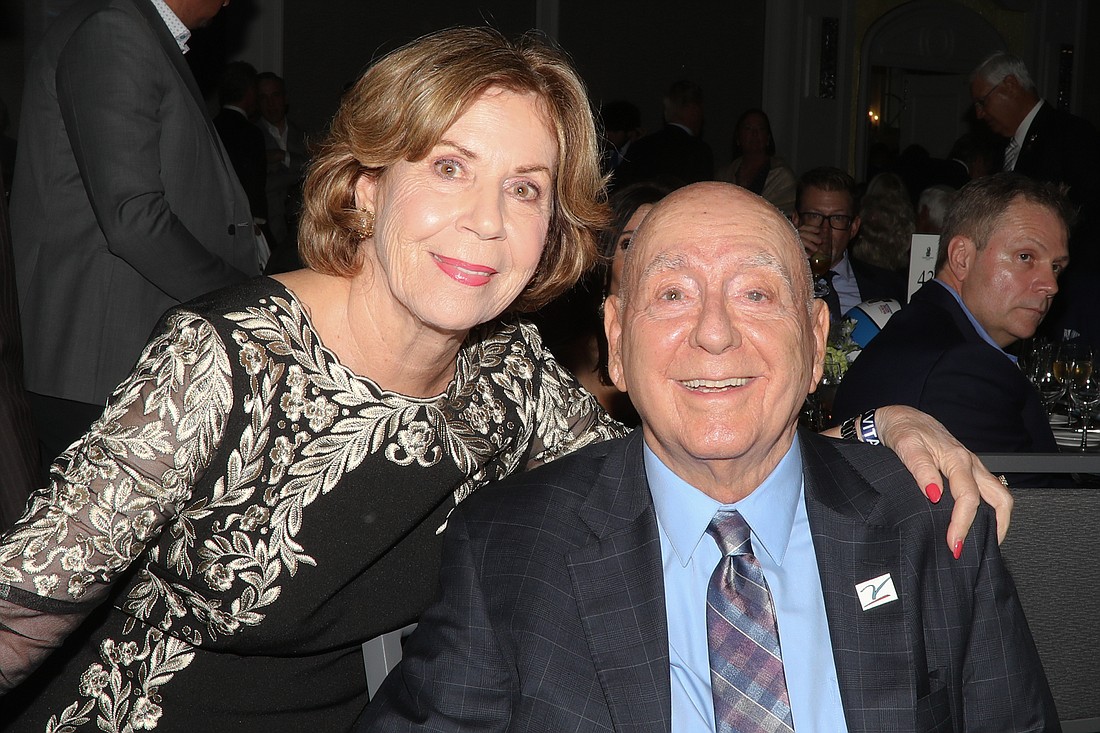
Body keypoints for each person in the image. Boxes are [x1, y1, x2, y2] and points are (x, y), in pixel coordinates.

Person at [0, 27, 1008, 732]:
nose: (486, 220)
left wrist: (882, 428)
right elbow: (20, 614)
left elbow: (692, 464)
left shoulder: (506, 378)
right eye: (449, 167)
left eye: (523, 188)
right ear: (366, 185)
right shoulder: (225, 361)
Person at [358, 182, 1055, 732]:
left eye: (755, 294)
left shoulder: (931, 522)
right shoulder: (512, 548)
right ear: (617, 342)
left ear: (817, 341)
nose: (715, 333)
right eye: (672, 294)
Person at [10, 0, 263, 476]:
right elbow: (133, 219)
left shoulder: (132, 30)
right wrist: (244, 300)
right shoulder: (113, 29)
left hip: (111, 361)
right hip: (96, 362)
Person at [834, 173, 1072, 486]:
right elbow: (1040, 508)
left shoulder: (920, 329)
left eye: (1056, 267)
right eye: (1025, 257)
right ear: (961, 258)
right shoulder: (962, 367)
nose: (1051, 285)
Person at [970, 51, 1100, 271]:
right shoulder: (1000, 149)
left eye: (982, 102)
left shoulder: (1071, 134)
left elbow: (1086, 217)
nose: (979, 114)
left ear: (1010, 84)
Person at [794, 167, 906, 320]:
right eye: (814, 216)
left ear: (854, 227)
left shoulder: (889, 287)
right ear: (796, 220)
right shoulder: (777, 279)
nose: (824, 229)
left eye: (837, 218)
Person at [256, 71, 310, 270]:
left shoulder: (303, 134)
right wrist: (297, 169)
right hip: (268, 233)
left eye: (275, 95)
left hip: (300, 234)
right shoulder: (253, 137)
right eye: (264, 98)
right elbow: (262, 185)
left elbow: (313, 168)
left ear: (285, 98)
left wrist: (281, 156)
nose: (271, 104)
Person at [614, 80, 714, 188]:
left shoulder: (640, 146)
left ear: (667, 111)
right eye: (701, 110)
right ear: (694, 110)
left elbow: (620, 187)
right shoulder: (698, 151)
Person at [717, 108, 796, 215]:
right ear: (738, 138)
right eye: (748, 128)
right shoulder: (724, 176)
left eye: (761, 128)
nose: (754, 133)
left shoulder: (781, 176)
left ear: (768, 138)